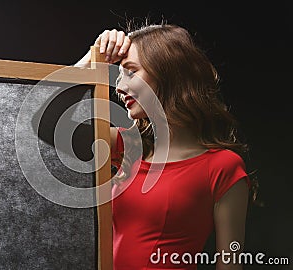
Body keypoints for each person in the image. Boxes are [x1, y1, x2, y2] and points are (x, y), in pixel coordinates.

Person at [73, 22, 255, 270]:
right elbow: (43, 124)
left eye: (131, 72)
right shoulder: (127, 146)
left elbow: (231, 264)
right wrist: (91, 59)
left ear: (168, 73)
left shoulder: (222, 166)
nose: (119, 87)